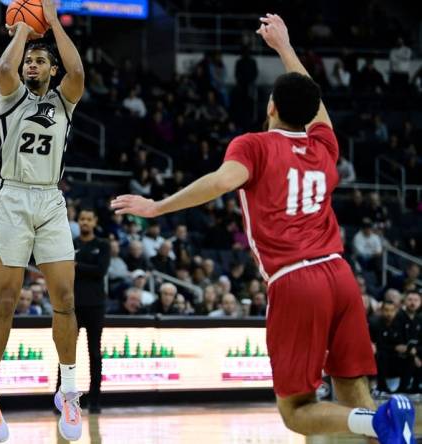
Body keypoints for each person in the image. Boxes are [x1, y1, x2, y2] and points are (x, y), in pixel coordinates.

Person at [111, 14, 414, 442]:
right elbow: (316, 102)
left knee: (295, 409)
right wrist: (286, 49)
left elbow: (218, 182)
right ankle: (382, 424)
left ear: (270, 106)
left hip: (295, 280)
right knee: (350, 387)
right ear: (309, 115)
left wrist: (158, 206)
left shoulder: (253, 145)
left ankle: (376, 420)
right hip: (342, 276)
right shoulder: (325, 144)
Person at [0, 0, 85, 440]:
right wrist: (22, 28)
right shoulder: (13, 96)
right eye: (30, 62)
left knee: (65, 299)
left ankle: (70, 392)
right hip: (14, 198)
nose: (33, 66)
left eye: (42, 61)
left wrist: (52, 19)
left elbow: (78, 74)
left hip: (50, 200)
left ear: (52, 71)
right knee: (6, 299)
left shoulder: (64, 101)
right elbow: (4, 68)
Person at [69, 209, 109, 413]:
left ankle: (95, 400)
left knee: (94, 352)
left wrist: (76, 266)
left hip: (95, 305)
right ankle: (64, 398)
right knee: (67, 352)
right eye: (82, 219)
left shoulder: (103, 245)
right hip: (72, 305)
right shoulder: (70, 242)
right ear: (78, 221)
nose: (85, 222)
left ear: (95, 222)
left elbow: (100, 271)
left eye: (89, 219)